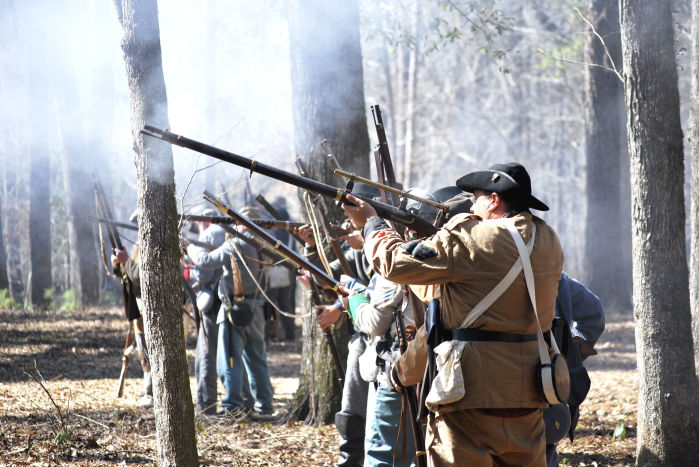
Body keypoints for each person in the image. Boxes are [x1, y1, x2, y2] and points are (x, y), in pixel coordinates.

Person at [342, 162, 564, 466]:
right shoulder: (547, 240)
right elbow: (459, 295)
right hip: (530, 396)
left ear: (494, 200)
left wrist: (371, 225)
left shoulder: (473, 236)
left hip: (469, 398)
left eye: (476, 197)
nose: (472, 204)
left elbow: (394, 263)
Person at [296, 182, 380, 467]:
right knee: (353, 404)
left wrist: (339, 306)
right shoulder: (354, 248)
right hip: (363, 334)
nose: (346, 222)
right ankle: (351, 460)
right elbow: (328, 277)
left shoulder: (384, 243)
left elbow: (380, 292)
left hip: (389, 336)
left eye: (350, 216)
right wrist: (310, 247)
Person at [187, 206, 275, 420]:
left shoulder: (237, 243)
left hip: (234, 309)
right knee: (257, 360)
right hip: (257, 308)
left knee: (229, 360)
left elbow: (206, 262)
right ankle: (265, 406)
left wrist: (190, 247)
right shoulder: (266, 244)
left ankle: (233, 406)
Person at [545, 272, 605, 466]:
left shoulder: (466, 267)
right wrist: (564, 356)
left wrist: (566, 352)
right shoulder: (545, 267)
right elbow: (593, 314)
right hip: (542, 385)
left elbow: (592, 314)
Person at [182, 208, 226, 415]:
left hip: (214, 301)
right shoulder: (226, 231)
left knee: (206, 354)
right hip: (223, 299)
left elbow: (205, 273)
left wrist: (190, 252)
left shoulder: (210, 234)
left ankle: (206, 403)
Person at [112, 245, 153, 409]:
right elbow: (127, 276)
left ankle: (151, 393)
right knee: (144, 355)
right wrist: (118, 264)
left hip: (150, 311)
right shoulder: (137, 246)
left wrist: (126, 260)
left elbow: (140, 277)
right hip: (141, 312)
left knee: (151, 355)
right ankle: (149, 390)